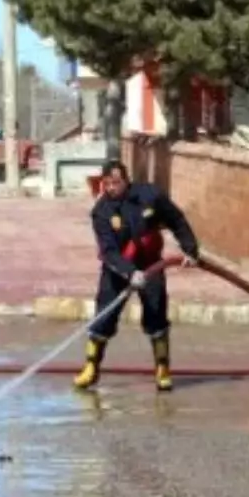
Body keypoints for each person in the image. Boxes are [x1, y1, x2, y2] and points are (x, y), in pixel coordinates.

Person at [74, 159, 200, 393]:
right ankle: (91, 367)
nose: (112, 188)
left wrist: (190, 249)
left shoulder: (149, 196)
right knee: (104, 317)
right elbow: (108, 251)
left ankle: (162, 368)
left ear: (126, 180)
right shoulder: (101, 212)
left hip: (151, 264)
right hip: (118, 269)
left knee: (156, 315)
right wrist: (130, 272)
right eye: (107, 183)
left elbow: (176, 219)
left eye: (116, 183)